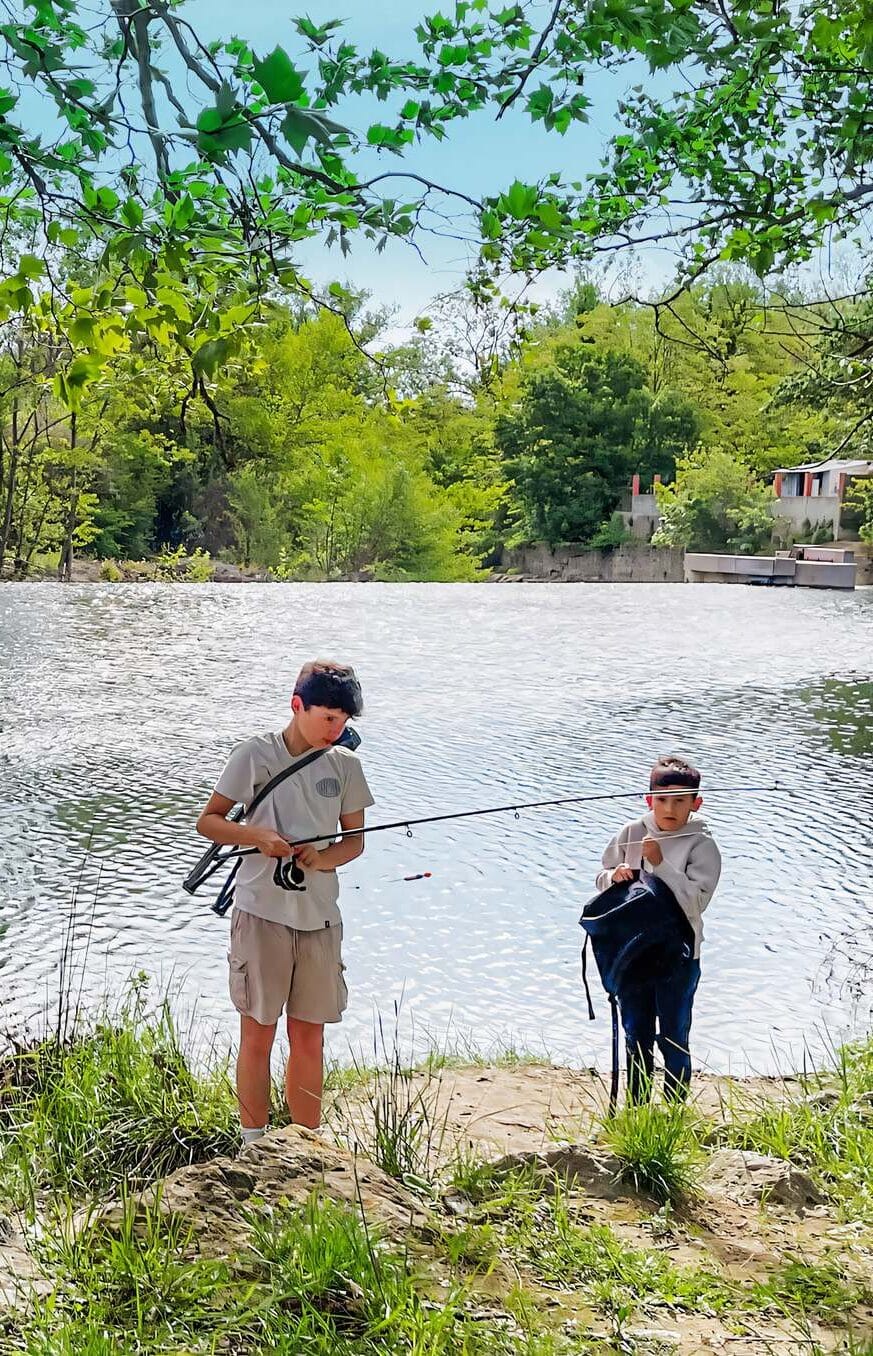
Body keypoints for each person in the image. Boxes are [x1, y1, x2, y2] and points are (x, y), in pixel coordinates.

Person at [195, 660, 373, 1143]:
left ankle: (304, 1146)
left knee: (309, 1035)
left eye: (343, 722)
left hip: (319, 920)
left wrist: (321, 857)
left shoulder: (346, 766)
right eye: (327, 718)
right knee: (257, 1034)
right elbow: (209, 823)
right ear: (298, 706)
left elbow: (354, 841)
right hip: (261, 915)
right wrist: (255, 836)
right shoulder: (255, 754)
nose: (335, 730)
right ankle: (254, 1144)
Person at [595, 755, 721, 1102]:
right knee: (636, 1033)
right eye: (662, 800)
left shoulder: (702, 844)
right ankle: (636, 1107)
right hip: (632, 953)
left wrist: (661, 865)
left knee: (673, 1036)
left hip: (678, 957)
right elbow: (602, 877)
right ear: (649, 800)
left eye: (680, 801)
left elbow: (696, 902)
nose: (669, 808)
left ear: (696, 803)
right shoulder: (632, 832)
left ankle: (675, 1107)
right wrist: (614, 877)